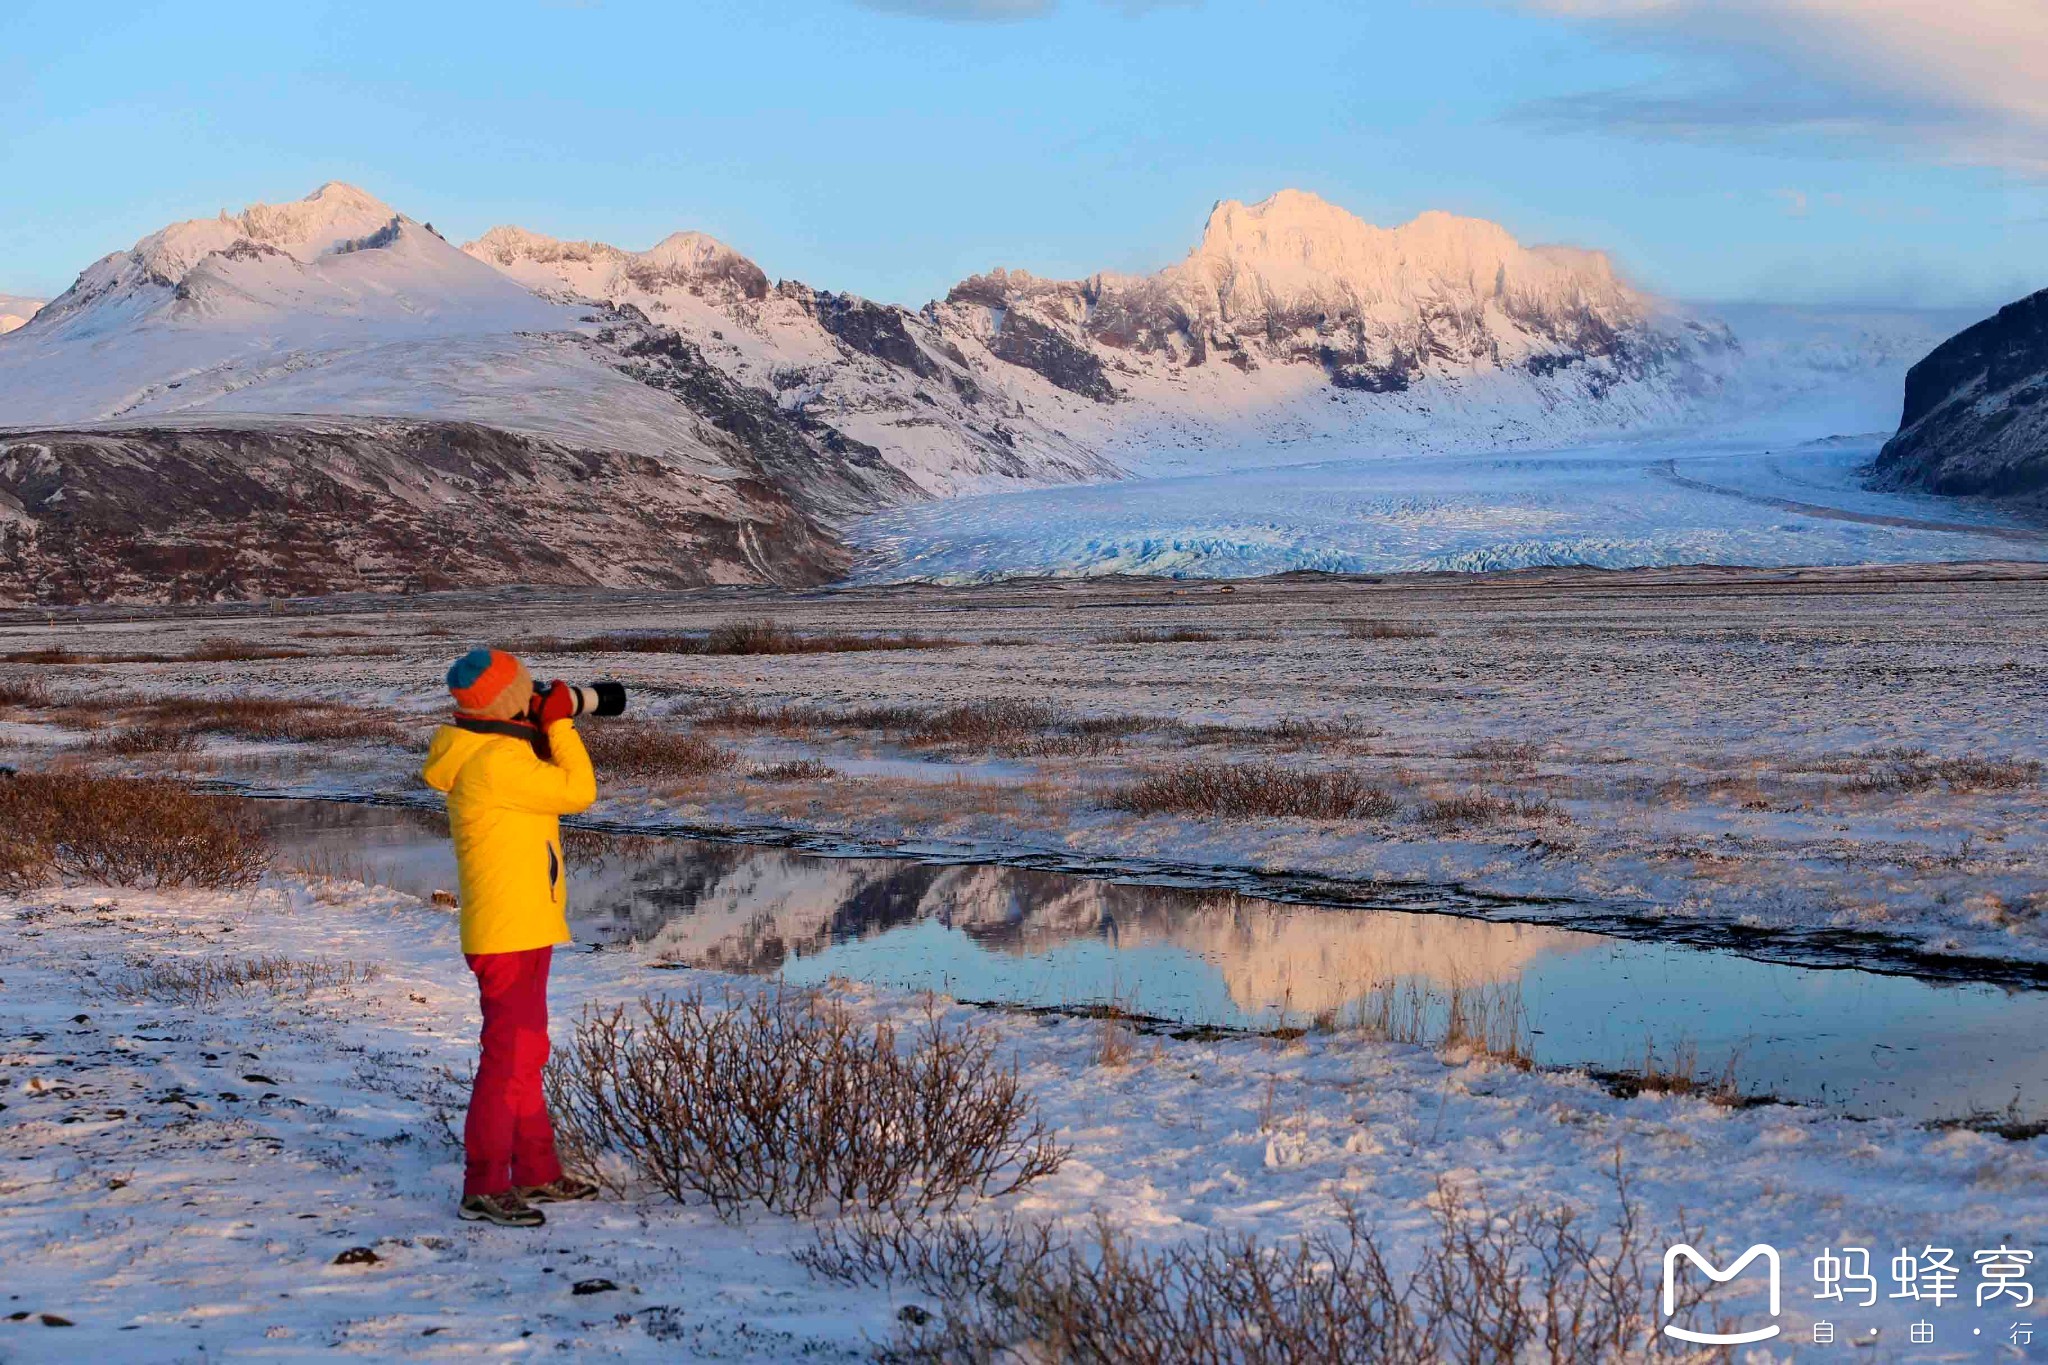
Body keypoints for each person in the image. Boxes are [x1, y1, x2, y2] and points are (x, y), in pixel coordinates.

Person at [421, 648, 601, 1227]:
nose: (534, 696)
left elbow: (546, 783)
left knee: (527, 1053)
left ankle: (536, 1171)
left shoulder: (494, 752)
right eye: (526, 689)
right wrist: (561, 722)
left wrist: (542, 729)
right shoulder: (495, 760)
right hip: (507, 932)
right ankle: (485, 1183)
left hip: (523, 924)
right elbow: (577, 792)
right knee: (508, 1058)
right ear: (506, 702)